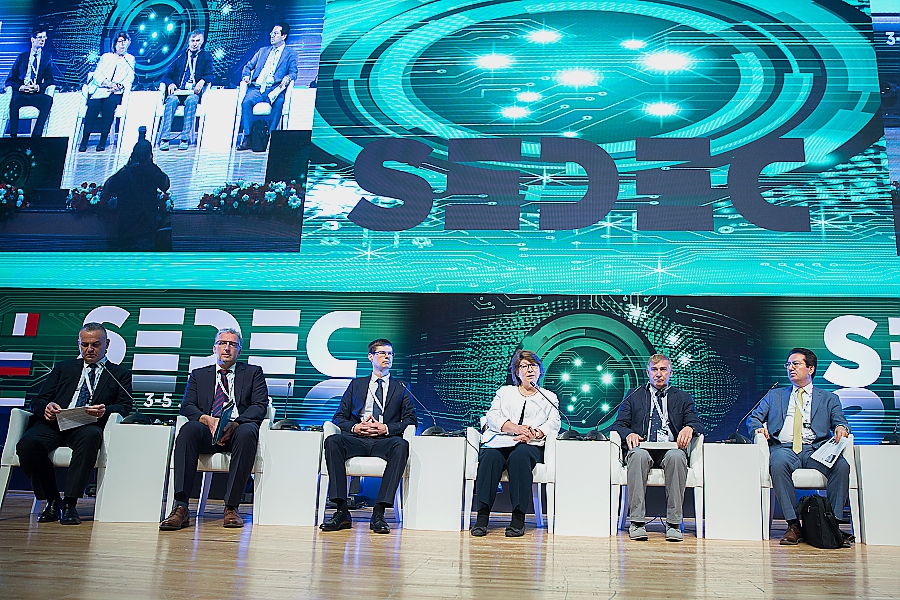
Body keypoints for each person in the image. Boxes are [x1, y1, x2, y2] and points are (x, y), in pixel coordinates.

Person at [16, 323, 132, 525]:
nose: (89, 349)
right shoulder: (64, 368)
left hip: (87, 424)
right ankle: (53, 500)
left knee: (91, 436)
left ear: (107, 344)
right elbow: (38, 400)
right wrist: (46, 407)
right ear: (79, 344)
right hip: (55, 422)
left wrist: (105, 410)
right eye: (85, 345)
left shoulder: (119, 373)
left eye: (95, 344)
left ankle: (70, 503)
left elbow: (125, 406)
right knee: (27, 444)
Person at [160, 328, 269, 530]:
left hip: (237, 429)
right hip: (207, 429)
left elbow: (259, 406)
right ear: (214, 348)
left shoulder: (253, 373)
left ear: (239, 350)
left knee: (248, 432)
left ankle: (231, 507)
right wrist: (207, 420)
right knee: (188, 430)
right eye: (222, 343)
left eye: (232, 344)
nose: (227, 348)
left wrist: (235, 424)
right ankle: (181, 507)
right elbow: (187, 405)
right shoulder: (199, 375)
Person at [747, 348, 851, 546]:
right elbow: (754, 418)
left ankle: (833, 525)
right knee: (777, 464)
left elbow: (840, 421)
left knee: (841, 466)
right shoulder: (775, 395)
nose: (790, 368)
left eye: (796, 364)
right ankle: (793, 525)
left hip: (816, 449)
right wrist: (758, 428)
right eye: (788, 364)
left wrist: (841, 427)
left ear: (810, 369)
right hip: (784, 448)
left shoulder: (829, 398)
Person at [319, 339, 417, 534]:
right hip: (357, 439)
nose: (387, 357)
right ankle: (341, 510)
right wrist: (356, 427)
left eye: (390, 354)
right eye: (382, 353)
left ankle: (379, 512)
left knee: (401, 446)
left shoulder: (401, 387)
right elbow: (339, 417)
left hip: (384, 440)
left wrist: (385, 428)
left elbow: (410, 420)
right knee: (332, 441)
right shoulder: (356, 384)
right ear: (370, 357)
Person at [612, 353, 704, 542]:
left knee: (677, 457)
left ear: (671, 372)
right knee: (637, 456)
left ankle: (674, 524)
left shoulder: (682, 397)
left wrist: (689, 427)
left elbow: (697, 423)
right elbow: (619, 425)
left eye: (663, 369)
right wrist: (629, 434)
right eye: (654, 369)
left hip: (670, 449)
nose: (658, 374)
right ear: (648, 373)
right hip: (642, 447)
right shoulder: (634, 395)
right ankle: (637, 522)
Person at [470, 349, 560, 537]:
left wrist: (534, 433)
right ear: (517, 372)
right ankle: (482, 517)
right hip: (500, 440)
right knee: (490, 457)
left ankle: (518, 518)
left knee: (520, 456)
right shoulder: (505, 392)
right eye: (524, 366)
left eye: (533, 365)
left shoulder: (549, 397)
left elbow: (554, 422)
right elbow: (492, 416)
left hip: (530, 444)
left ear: (540, 370)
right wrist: (515, 428)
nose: (530, 370)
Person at [101, 125, 171, 250]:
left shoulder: (124, 173)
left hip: (126, 232)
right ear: (149, 155)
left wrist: (126, 167)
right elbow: (166, 185)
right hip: (148, 232)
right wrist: (152, 165)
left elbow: (107, 187)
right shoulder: (151, 171)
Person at [235, 23, 298, 151]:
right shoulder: (262, 51)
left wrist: (288, 77)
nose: (272, 36)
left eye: (275, 33)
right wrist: (246, 75)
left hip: (274, 89)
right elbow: (248, 66)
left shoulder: (290, 53)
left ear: (284, 36)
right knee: (246, 102)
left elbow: (294, 72)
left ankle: (270, 136)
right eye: (271, 33)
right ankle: (248, 138)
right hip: (257, 88)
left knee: (279, 102)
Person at [78, 32, 134, 152]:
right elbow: (97, 75)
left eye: (125, 42)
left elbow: (130, 78)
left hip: (116, 92)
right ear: (115, 44)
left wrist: (118, 86)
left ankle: (103, 140)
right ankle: (85, 139)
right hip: (101, 89)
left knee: (109, 106)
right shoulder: (106, 57)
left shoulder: (130, 59)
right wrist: (107, 83)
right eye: (120, 41)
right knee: (93, 106)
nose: (122, 45)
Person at [158, 30, 214, 150]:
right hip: (178, 91)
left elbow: (210, 75)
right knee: (171, 100)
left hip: (193, 92)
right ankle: (165, 139)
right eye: (192, 40)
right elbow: (166, 76)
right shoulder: (180, 55)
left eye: (197, 41)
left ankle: (184, 139)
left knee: (191, 100)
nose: (195, 43)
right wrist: (170, 83)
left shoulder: (206, 57)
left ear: (202, 42)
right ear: (188, 41)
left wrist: (203, 80)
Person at [5, 26, 54, 137]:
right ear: (32, 39)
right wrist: (21, 87)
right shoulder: (22, 57)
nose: (42, 40)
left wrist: (38, 87)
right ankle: (13, 136)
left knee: (48, 100)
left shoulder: (46, 58)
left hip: (36, 94)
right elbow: (10, 80)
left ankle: (36, 136)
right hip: (21, 94)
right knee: (14, 102)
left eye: (44, 38)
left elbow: (50, 80)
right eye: (40, 37)